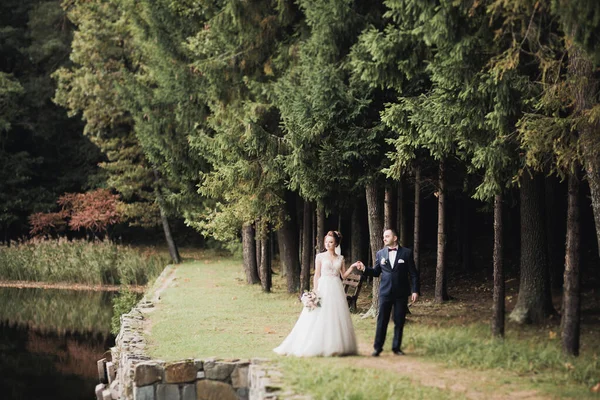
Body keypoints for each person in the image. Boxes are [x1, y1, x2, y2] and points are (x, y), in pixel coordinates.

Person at [274, 231, 359, 357]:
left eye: (331, 242)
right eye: (326, 242)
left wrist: (352, 267)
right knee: (318, 313)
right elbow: (317, 274)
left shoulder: (340, 258)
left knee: (334, 315)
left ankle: (335, 345)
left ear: (336, 244)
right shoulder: (320, 257)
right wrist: (315, 290)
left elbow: (343, 275)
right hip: (323, 286)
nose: (328, 244)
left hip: (336, 287)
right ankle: (314, 343)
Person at [356, 228, 420, 356]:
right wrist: (364, 269)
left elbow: (413, 274)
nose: (384, 238)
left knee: (399, 320)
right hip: (385, 292)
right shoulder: (380, 254)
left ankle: (396, 348)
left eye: (387, 236)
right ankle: (377, 348)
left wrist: (415, 290)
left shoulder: (406, 253)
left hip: (401, 293)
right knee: (382, 320)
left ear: (395, 238)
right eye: (383, 236)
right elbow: (376, 272)